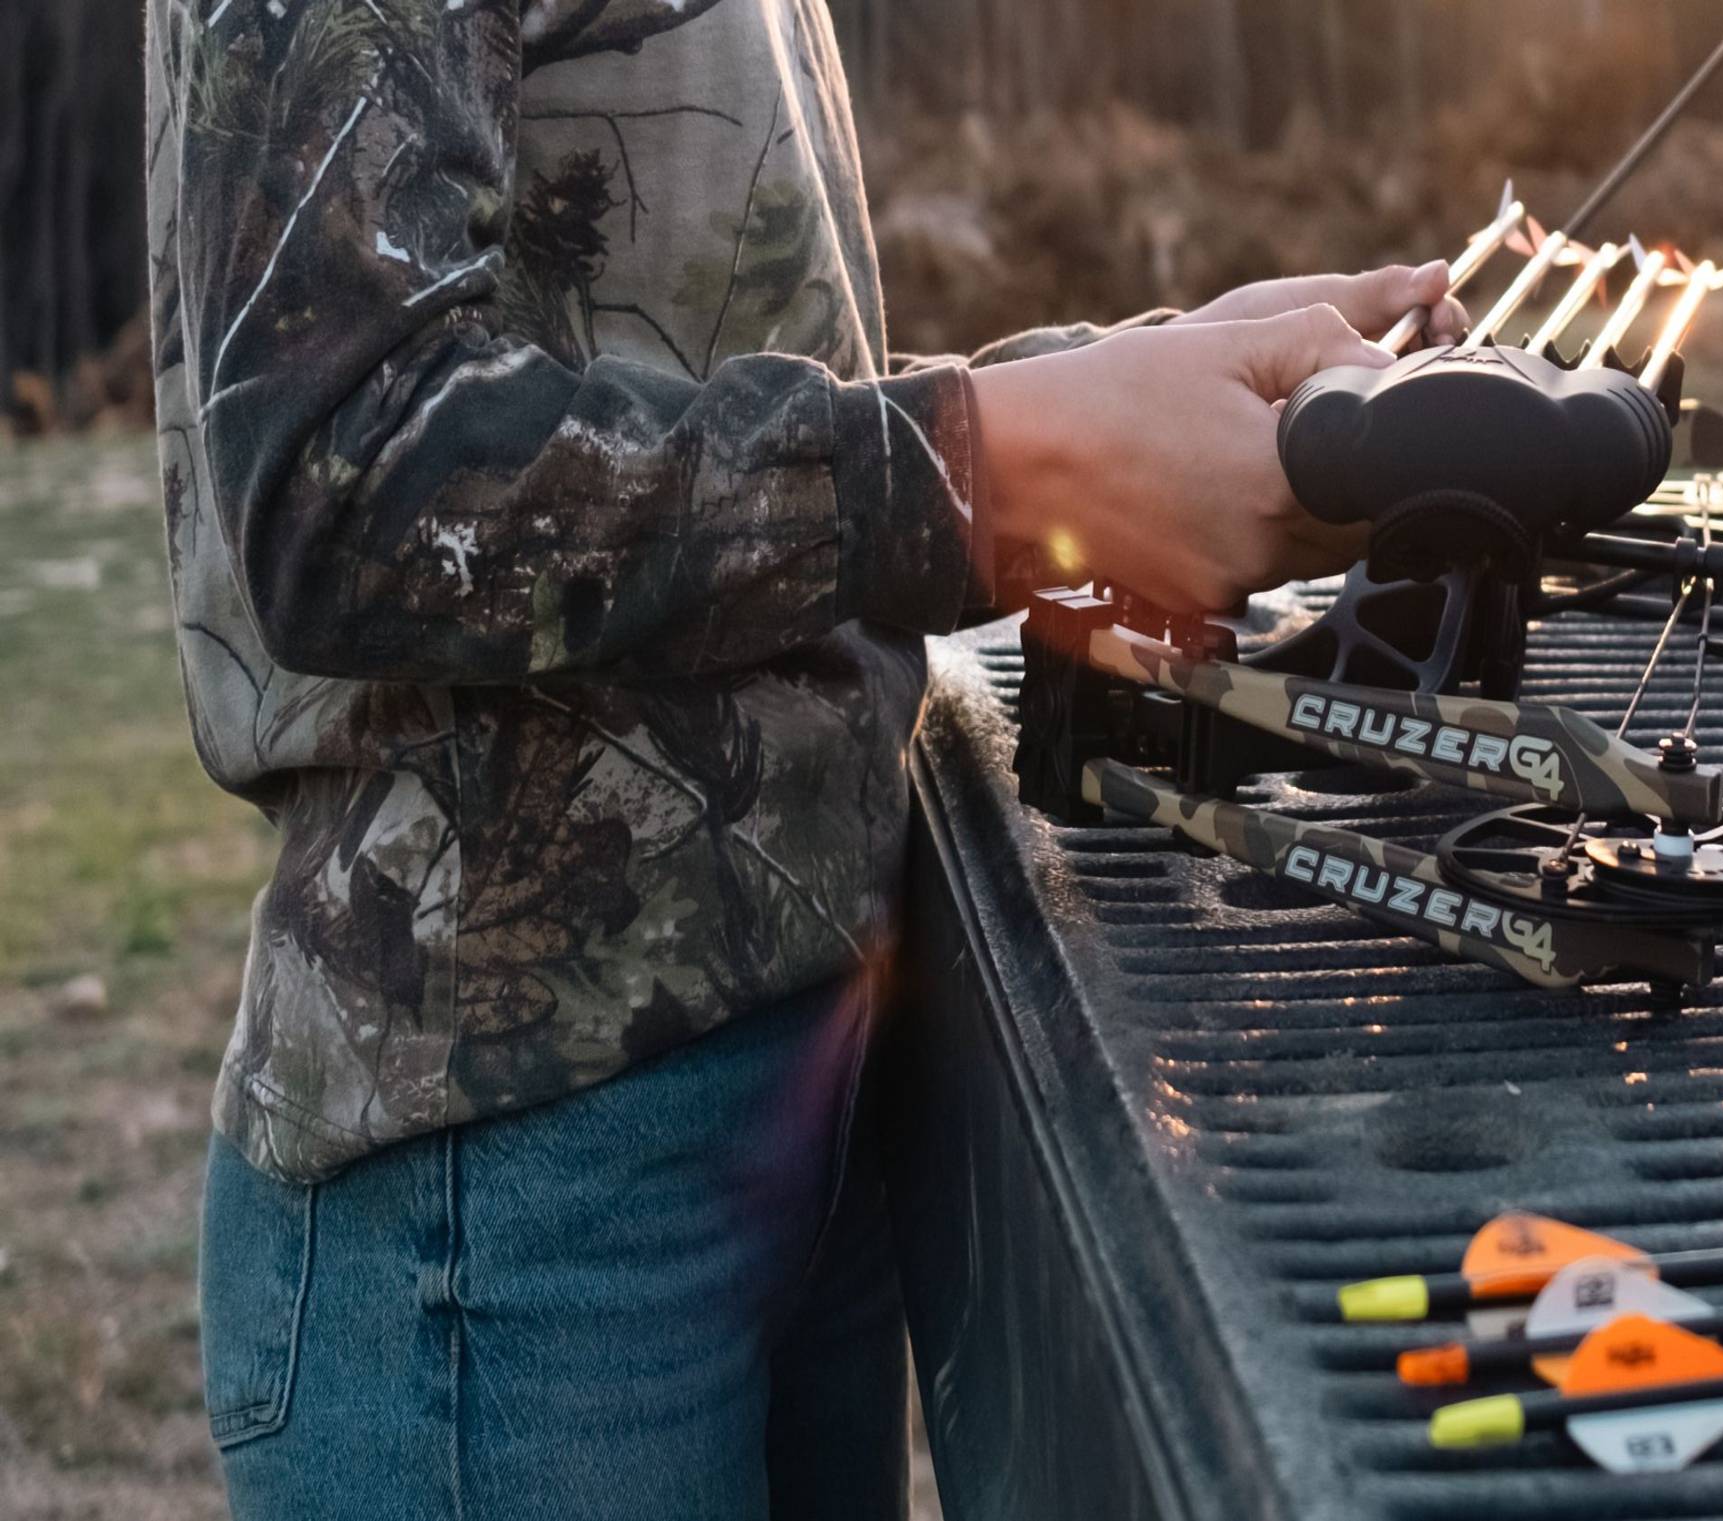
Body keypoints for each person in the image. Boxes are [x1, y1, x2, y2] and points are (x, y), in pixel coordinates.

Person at [143, 2, 1465, 1516]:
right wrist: (999, 465)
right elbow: (347, 485)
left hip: (792, 1086)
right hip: (518, 1209)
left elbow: (697, 369)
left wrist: (1129, 394)